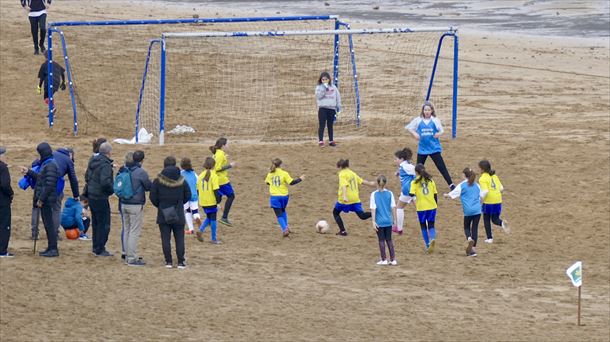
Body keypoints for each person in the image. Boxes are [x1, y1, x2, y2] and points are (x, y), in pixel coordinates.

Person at [150, 156, 191, 269]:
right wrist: (179, 203)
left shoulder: (157, 181)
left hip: (163, 212)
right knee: (179, 238)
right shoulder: (182, 180)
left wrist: (161, 205)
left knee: (165, 238)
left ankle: (168, 261)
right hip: (178, 211)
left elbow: (153, 197)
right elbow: (188, 195)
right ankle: (181, 262)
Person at [405, 101, 455, 190]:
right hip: (422, 149)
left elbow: (441, 130)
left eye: (429, 110)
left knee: (441, 167)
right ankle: (415, 185)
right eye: (425, 110)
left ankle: (451, 184)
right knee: (418, 168)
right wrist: (415, 134)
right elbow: (409, 127)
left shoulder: (435, 120)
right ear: (423, 111)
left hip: (434, 148)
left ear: (432, 111)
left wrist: (438, 134)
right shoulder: (418, 120)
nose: (427, 111)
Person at [118, 151, 151, 266]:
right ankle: (132, 258)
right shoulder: (141, 172)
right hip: (135, 205)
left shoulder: (124, 169)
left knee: (126, 229)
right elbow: (148, 187)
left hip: (123, 203)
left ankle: (127, 254)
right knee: (134, 231)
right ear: (141, 160)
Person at [27, 142, 59, 257]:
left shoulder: (50, 165)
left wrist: (41, 199)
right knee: (47, 224)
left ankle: (53, 248)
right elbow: (41, 179)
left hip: (47, 200)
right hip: (46, 198)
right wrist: (29, 172)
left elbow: (49, 185)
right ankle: (51, 247)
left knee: (49, 224)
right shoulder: (47, 163)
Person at [84, 142, 114, 257]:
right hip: (101, 196)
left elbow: (87, 177)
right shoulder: (105, 165)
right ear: (109, 152)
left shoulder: (93, 161)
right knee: (104, 223)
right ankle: (100, 248)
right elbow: (105, 182)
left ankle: (96, 246)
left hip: (92, 195)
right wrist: (111, 190)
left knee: (96, 222)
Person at [444, 168, 482, 257]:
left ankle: (469, 239)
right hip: (477, 210)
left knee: (466, 227)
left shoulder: (462, 185)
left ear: (464, 175)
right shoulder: (477, 185)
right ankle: (474, 249)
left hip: (468, 211)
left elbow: (453, 194)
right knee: (475, 228)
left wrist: (447, 195)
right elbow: (481, 196)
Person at [333, 159, 375, 236]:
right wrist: (370, 183)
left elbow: (344, 185)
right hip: (355, 199)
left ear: (340, 167)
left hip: (345, 199)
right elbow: (361, 181)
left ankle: (343, 231)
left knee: (335, 213)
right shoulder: (352, 173)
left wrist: (345, 196)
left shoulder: (342, 174)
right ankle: (376, 213)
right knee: (362, 216)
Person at [265, 158, 304, 237]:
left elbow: (267, 183)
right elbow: (291, 182)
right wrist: (300, 179)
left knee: (279, 214)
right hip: (284, 196)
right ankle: (286, 227)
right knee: (283, 211)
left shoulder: (270, 174)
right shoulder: (284, 173)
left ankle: (284, 228)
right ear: (281, 165)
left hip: (275, 197)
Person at [409, 164, 438, 254]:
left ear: (416, 172)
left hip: (421, 207)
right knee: (431, 225)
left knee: (423, 226)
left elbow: (411, 194)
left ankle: (428, 244)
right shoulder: (431, 180)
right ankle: (432, 238)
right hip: (432, 206)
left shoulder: (414, 182)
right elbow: (435, 194)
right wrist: (435, 205)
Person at [51, 147, 79, 241]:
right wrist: (76, 195)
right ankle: (54, 234)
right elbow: (73, 179)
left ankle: (35, 232)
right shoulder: (68, 160)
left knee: (38, 208)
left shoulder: (52, 153)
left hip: (42, 184)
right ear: (70, 154)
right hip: (55, 185)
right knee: (56, 209)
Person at [479, 160, 509, 243]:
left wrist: (479, 200)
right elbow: (501, 188)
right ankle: (502, 223)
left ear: (482, 169)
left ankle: (489, 238)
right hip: (498, 200)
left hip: (489, 201)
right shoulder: (494, 176)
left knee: (486, 219)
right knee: (495, 219)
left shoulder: (482, 178)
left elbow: (485, 192)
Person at [370, 175, 397, 266]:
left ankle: (384, 259)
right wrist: (395, 220)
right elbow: (393, 207)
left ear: (377, 183)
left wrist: (373, 222)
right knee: (389, 239)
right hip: (388, 221)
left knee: (381, 240)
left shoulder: (374, 194)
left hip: (379, 222)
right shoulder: (390, 193)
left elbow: (373, 209)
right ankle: (393, 259)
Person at [210, 138, 236, 226]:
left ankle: (210, 218)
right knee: (231, 196)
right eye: (227, 144)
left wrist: (224, 158)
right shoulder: (220, 154)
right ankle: (224, 217)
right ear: (223, 145)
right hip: (221, 180)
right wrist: (230, 165)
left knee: (218, 199)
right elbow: (217, 168)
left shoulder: (218, 153)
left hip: (216, 179)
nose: (228, 146)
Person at [196, 157, 221, 244]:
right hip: (211, 201)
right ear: (214, 166)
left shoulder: (200, 176)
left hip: (203, 201)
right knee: (213, 218)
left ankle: (200, 230)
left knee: (209, 217)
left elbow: (198, 190)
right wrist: (218, 202)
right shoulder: (214, 176)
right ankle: (213, 239)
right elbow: (215, 191)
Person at [315, 71, 341, 147]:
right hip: (323, 109)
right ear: (321, 80)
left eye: (326, 79)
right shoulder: (319, 87)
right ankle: (320, 141)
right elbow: (318, 97)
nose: (324, 81)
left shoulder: (334, 87)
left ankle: (331, 141)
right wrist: (324, 89)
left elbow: (338, 97)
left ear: (329, 79)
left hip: (331, 109)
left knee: (330, 125)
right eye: (323, 79)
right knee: (322, 125)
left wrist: (338, 106)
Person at [18, 158, 42, 240]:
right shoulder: (48, 166)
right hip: (49, 191)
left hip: (37, 193)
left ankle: (34, 234)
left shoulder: (33, 171)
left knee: (36, 211)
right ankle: (54, 234)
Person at [394, 147, 416, 235]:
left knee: (399, 208)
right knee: (399, 207)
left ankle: (399, 228)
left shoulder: (406, 166)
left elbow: (416, 171)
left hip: (409, 191)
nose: (395, 161)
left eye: (396, 159)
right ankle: (428, 227)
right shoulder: (404, 165)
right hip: (410, 191)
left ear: (401, 159)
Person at [0, 147, 15, 257]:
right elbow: (5, 184)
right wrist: (11, 193)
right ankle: (2, 251)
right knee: (4, 226)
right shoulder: (3, 168)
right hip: (2, 202)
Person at [180, 157, 199, 235]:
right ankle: (197, 218)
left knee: (187, 211)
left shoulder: (181, 174)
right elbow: (198, 183)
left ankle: (191, 229)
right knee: (195, 211)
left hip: (185, 196)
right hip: (194, 195)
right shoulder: (194, 173)